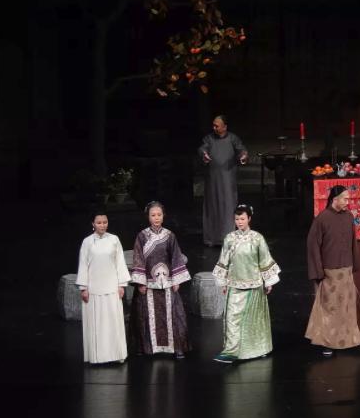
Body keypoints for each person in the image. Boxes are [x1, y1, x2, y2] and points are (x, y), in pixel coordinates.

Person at [305, 185, 360, 356]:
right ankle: (328, 342)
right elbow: (313, 246)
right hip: (330, 271)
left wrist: (354, 264)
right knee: (330, 307)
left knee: (347, 306)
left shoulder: (349, 217)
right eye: (345, 198)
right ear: (334, 199)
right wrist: (318, 271)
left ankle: (349, 338)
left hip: (346, 269)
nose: (347, 202)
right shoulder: (322, 219)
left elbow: (353, 242)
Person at [212, 204, 280, 363]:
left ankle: (259, 349)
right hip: (234, 283)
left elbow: (264, 259)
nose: (239, 222)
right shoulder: (230, 238)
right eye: (237, 219)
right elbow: (224, 260)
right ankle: (231, 351)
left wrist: (268, 281)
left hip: (254, 284)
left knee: (253, 319)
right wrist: (223, 282)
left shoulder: (257, 238)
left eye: (242, 219)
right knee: (232, 317)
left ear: (249, 218)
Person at [130, 201, 191, 357]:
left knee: (173, 315)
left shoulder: (170, 236)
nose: (156, 218)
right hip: (148, 283)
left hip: (167, 282)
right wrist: (140, 282)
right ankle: (149, 348)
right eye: (153, 215)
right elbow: (138, 259)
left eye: (159, 215)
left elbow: (176, 257)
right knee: (146, 315)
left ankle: (176, 348)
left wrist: (176, 280)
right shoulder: (142, 236)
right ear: (148, 217)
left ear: (163, 216)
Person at [76, 211, 130, 364]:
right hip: (94, 289)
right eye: (99, 222)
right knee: (97, 324)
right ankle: (97, 357)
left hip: (112, 288)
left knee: (113, 322)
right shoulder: (87, 242)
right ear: (93, 224)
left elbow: (120, 262)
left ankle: (117, 355)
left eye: (105, 222)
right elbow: (83, 264)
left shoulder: (114, 239)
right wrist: (84, 287)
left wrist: (121, 285)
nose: (102, 225)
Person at [198, 114, 248, 247]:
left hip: (227, 179)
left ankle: (228, 237)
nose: (214, 128)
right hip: (213, 180)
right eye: (213, 125)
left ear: (225, 127)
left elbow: (241, 149)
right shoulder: (209, 138)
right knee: (213, 207)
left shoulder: (232, 138)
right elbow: (203, 148)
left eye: (217, 126)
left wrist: (243, 155)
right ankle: (212, 239)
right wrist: (204, 154)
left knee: (228, 206)